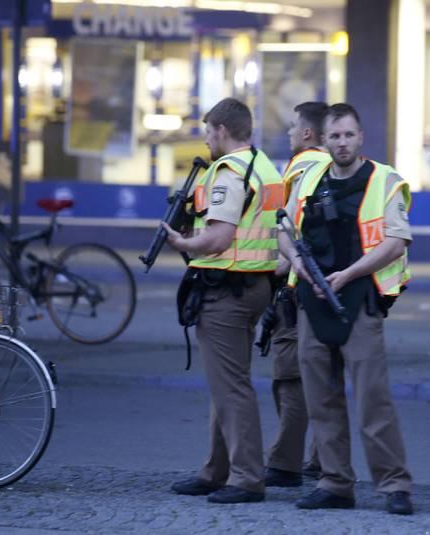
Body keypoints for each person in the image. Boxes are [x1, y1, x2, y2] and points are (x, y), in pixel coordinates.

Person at [278, 103, 414, 515]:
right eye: (334, 136)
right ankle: (335, 483)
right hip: (312, 301)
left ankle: (394, 485)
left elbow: (396, 241)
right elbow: (282, 230)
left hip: (359, 300)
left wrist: (348, 274)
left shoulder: (384, 179)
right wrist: (297, 263)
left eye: (348, 135)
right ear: (323, 140)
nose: (341, 143)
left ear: (361, 137)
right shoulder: (307, 179)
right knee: (322, 399)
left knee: (373, 401)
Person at [163, 97, 283, 504]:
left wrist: (182, 241)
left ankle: (247, 477)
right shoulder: (265, 167)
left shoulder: (230, 171)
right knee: (225, 384)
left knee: (232, 389)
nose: (207, 138)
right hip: (256, 286)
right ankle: (215, 470)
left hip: (227, 289)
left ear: (221, 130)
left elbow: (218, 237)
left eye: (208, 130)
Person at [263, 102, 331, 487]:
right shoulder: (336, 170)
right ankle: (323, 458)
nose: (289, 133)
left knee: (290, 377)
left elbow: (288, 232)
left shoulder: (302, 168)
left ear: (307, 133)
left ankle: (285, 462)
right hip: (332, 287)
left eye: (292, 127)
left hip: (295, 288)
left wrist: (267, 270)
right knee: (323, 376)